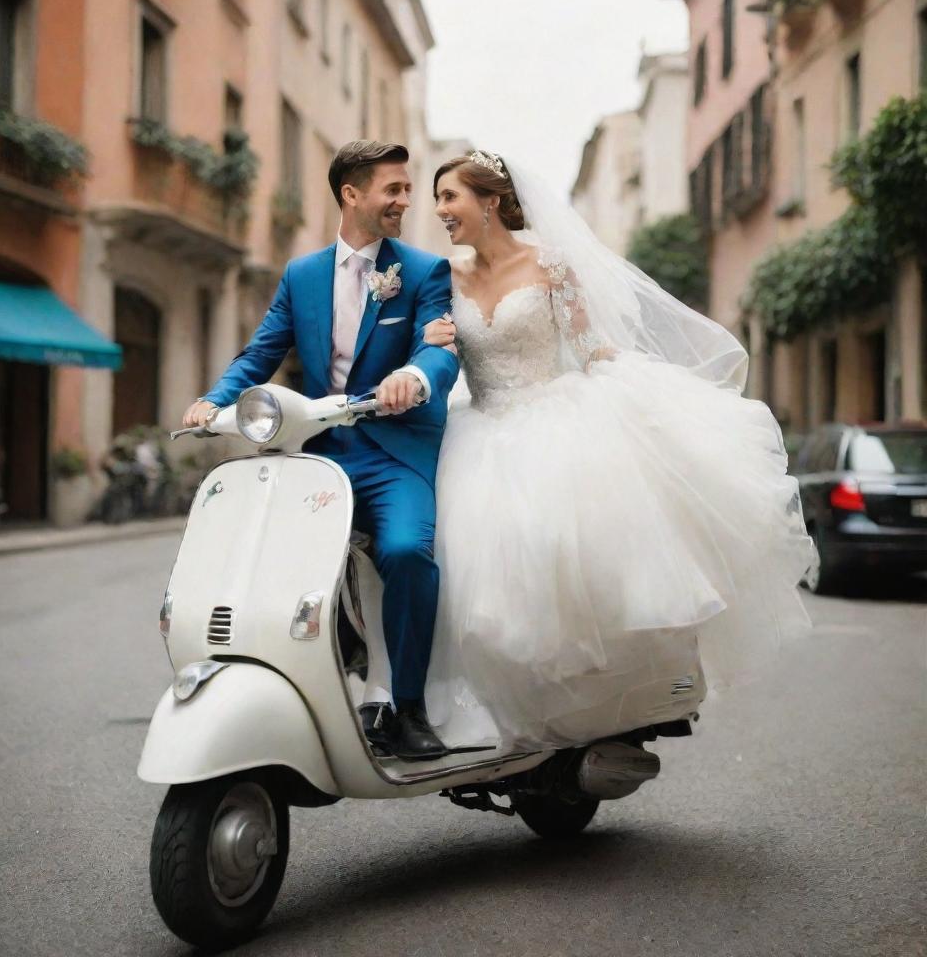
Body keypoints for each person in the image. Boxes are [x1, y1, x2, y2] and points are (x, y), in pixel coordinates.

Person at [420, 150, 814, 750]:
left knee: (568, 567)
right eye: (437, 198)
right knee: (482, 586)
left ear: (490, 200)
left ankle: (585, 725)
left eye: (450, 196)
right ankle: (507, 724)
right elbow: (433, 354)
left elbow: (590, 346)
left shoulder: (550, 265)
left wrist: (647, 404)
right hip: (480, 430)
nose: (441, 210)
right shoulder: (442, 278)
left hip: (553, 423)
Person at [183, 140, 461, 760]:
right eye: (393, 189)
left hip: (394, 452)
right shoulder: (301, 276)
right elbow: (260, 353)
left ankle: (409, 708)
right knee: (270, 556)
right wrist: (213, 401)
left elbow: (437, 349)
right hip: (316, 451)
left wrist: (414, 379)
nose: (405, 201)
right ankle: (321, 669)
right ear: (351, 194)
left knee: (404, 553)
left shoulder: (422, 271)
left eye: (408, 189)